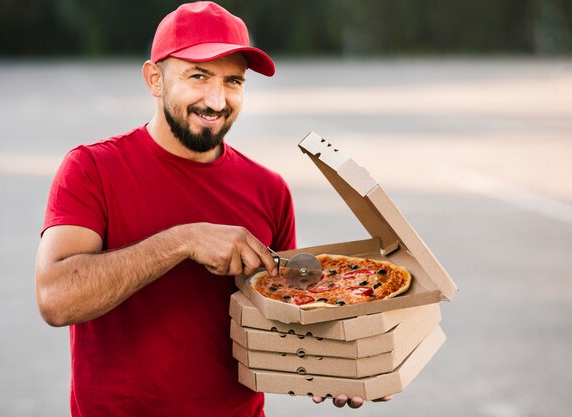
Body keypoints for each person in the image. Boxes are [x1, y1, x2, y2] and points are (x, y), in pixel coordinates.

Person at [36, 2, 382, 415]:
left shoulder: (268, 189)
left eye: (233, 81)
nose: (216, 100)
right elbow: (55, 299)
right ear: (155, 79)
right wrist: (184, 240)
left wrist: (341, 365)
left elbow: (287, 316)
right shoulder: (92, 169)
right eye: (198, 76)